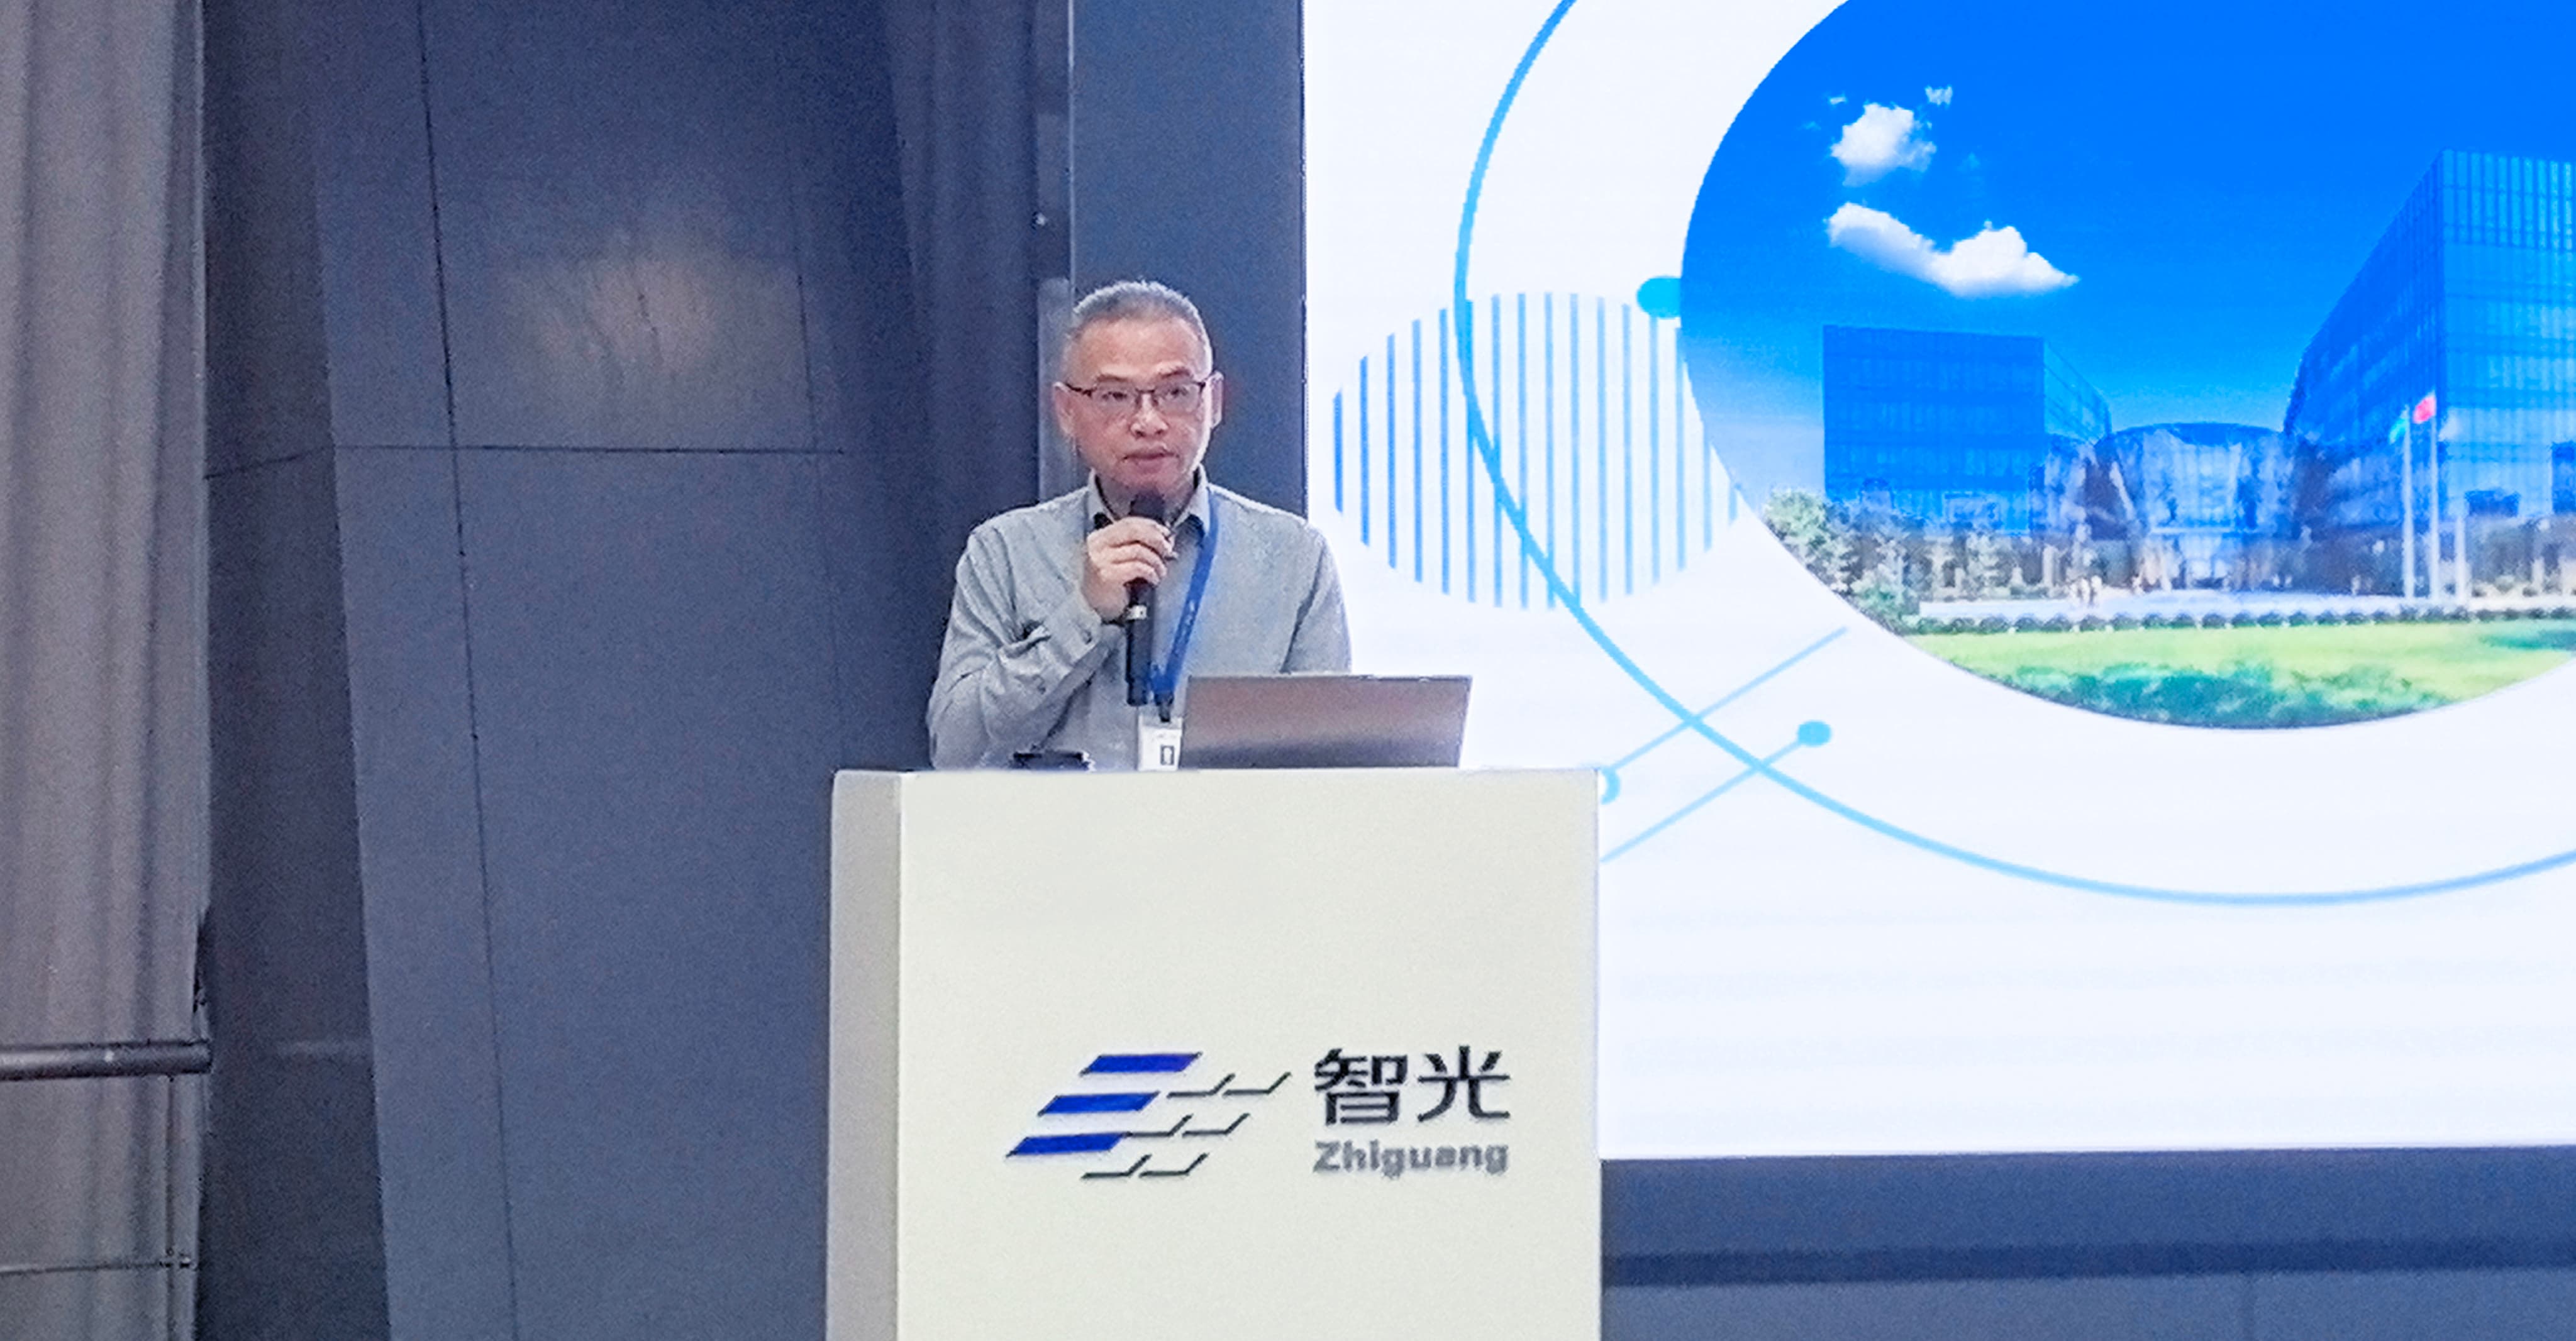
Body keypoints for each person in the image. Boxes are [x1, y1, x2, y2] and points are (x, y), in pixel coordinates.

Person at [928, 280, 1349, 768]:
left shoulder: (1293, 558)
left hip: (1231, 820)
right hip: (1058, 820)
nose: (1148, 421)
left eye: (1175, 392)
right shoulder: (1006, 551)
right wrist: (1083, 616)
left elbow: (1330, 765)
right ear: (1066, 411)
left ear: (1213, 401)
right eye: (1115, 396)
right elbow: (955, 750)